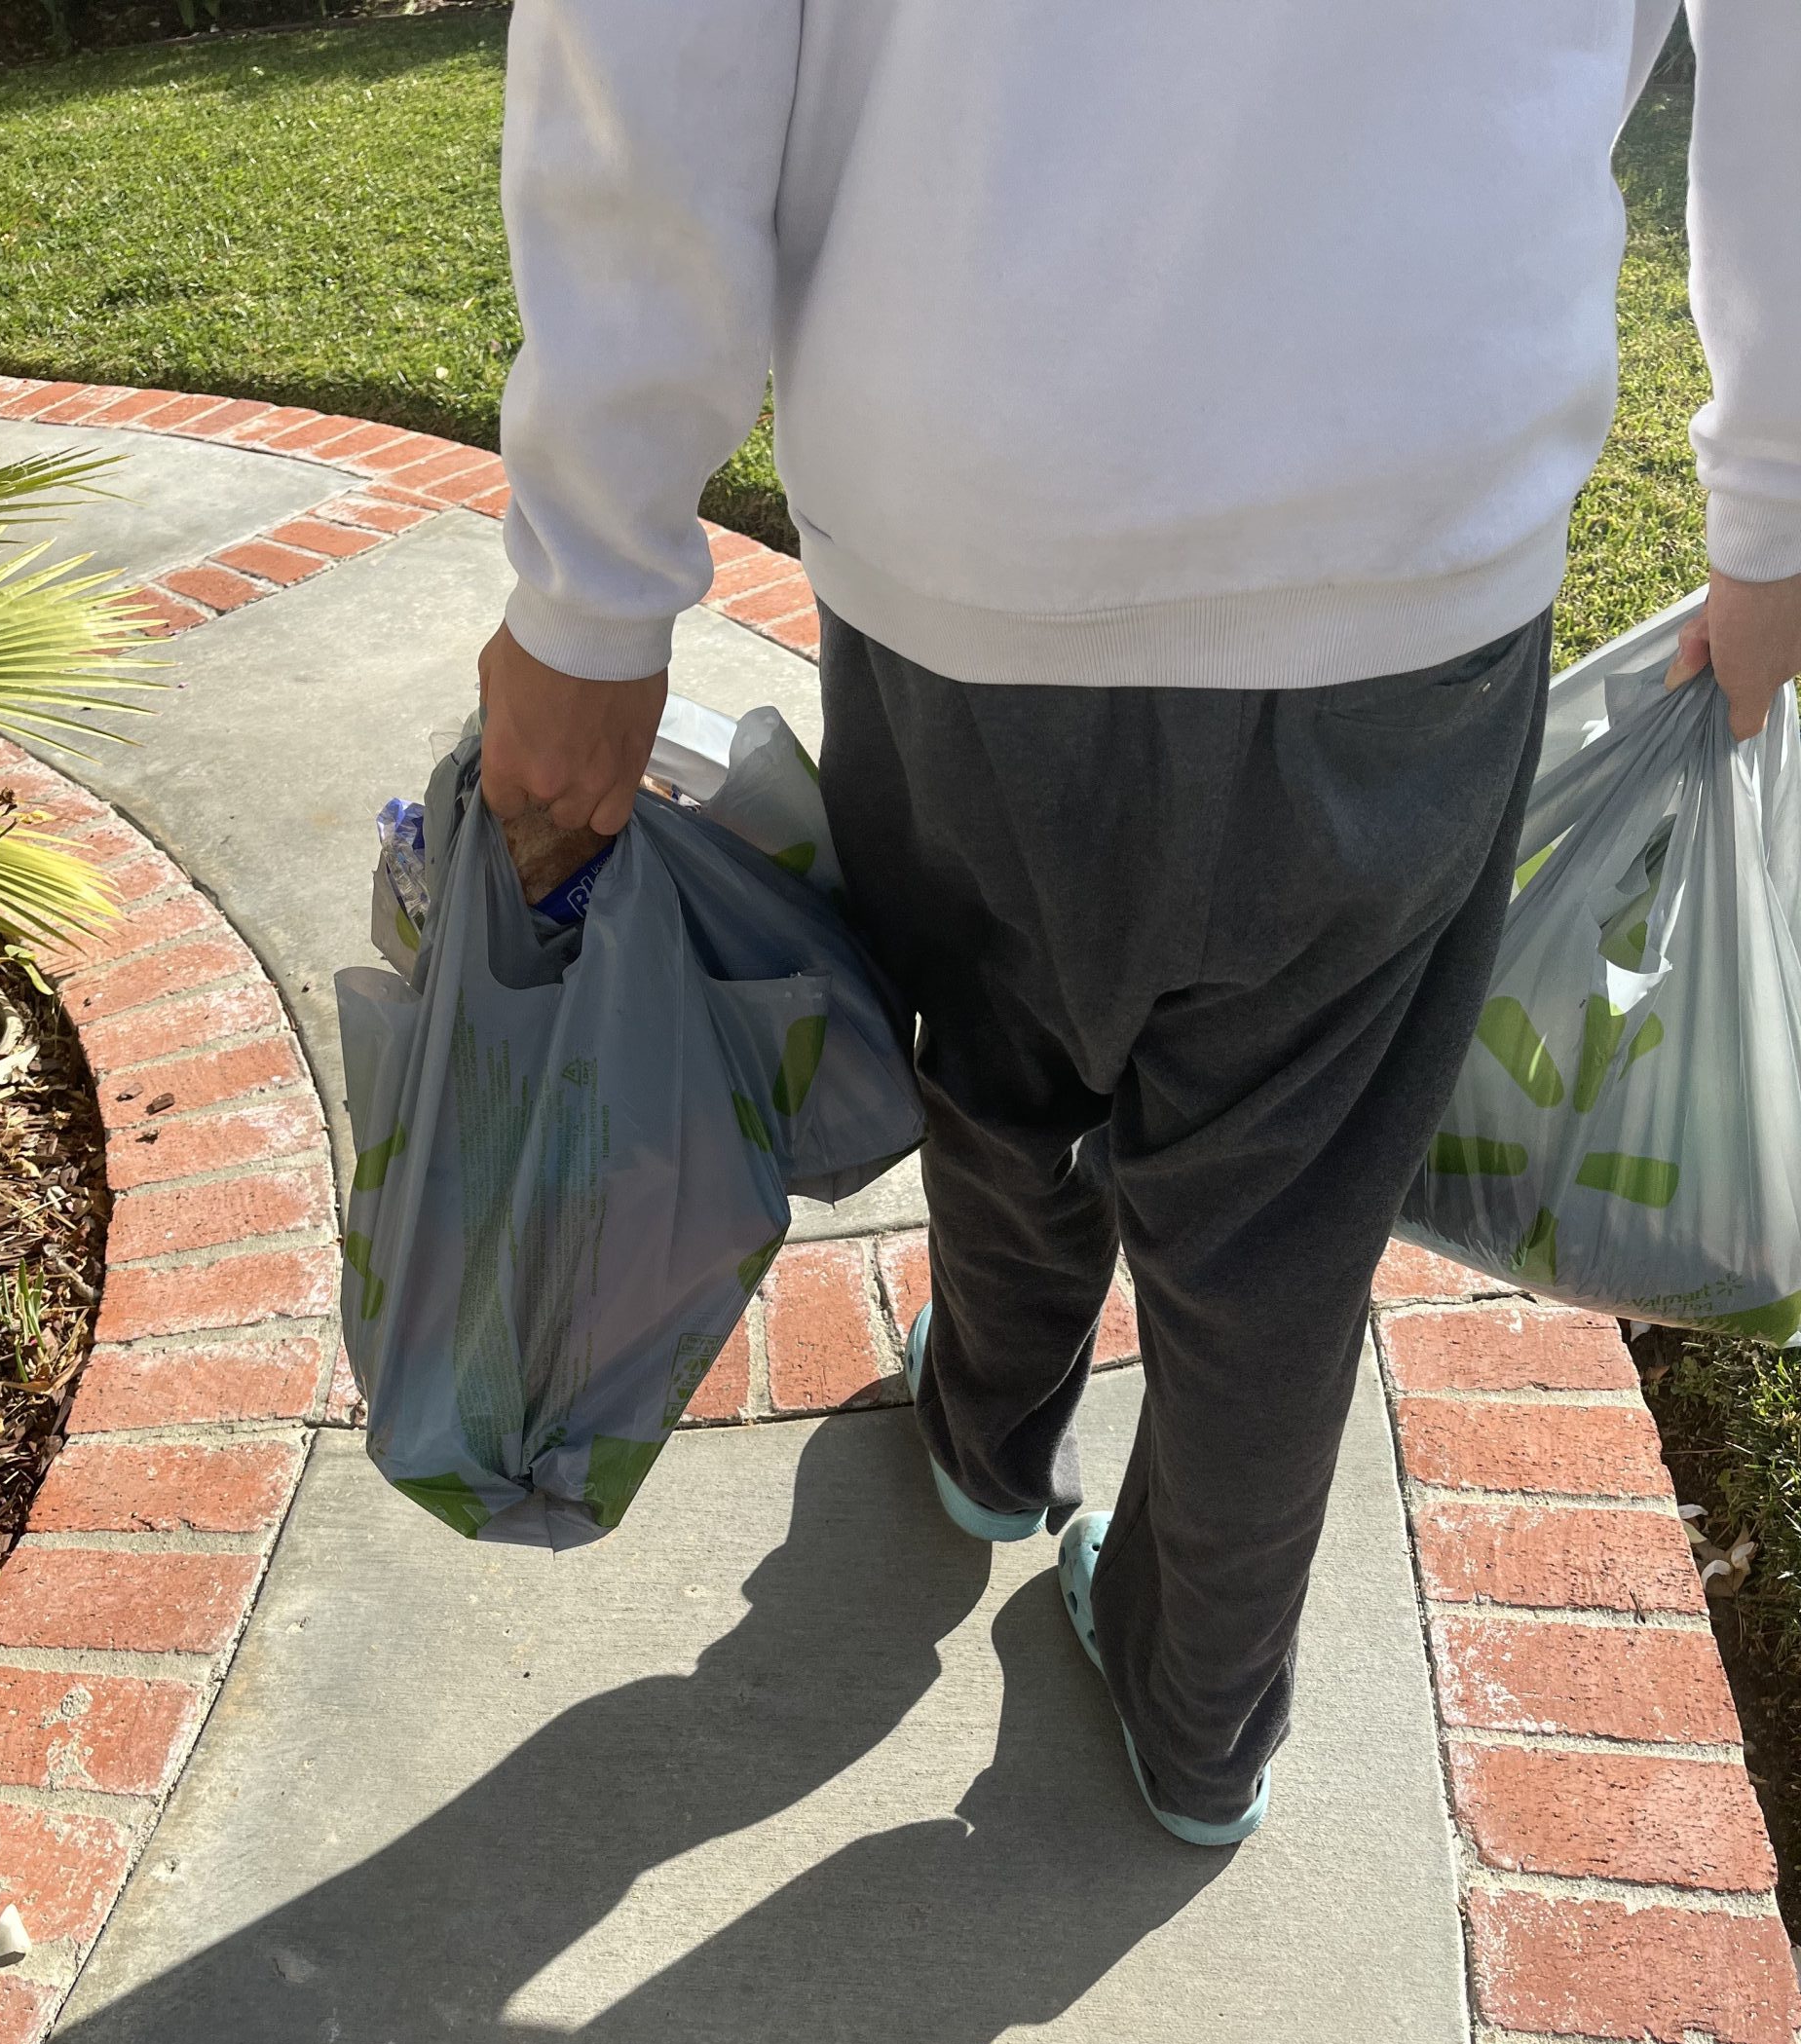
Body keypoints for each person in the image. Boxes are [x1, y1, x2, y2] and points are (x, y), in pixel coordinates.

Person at [477, 0, 1801, 1844]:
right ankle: (1203, 1717)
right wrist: (1774, 506)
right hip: (1408, 536)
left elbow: (660, 46)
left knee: (995, 1054)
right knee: (1282, 1219)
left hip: (969, 524)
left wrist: (594, 581)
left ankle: (989, 1432)